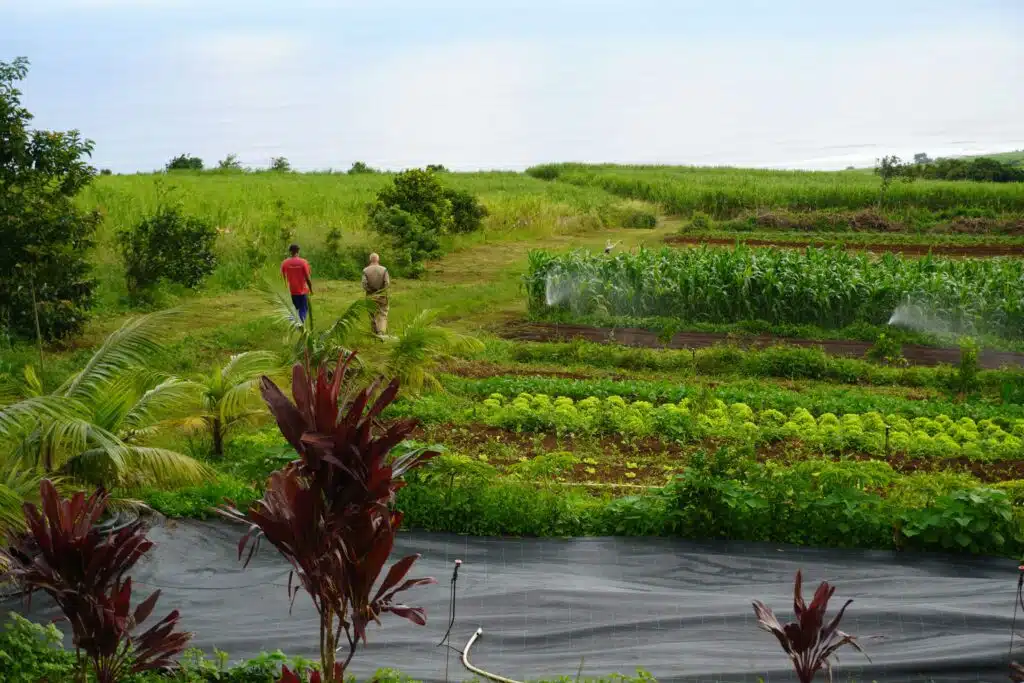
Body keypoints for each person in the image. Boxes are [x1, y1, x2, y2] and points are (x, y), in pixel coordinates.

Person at [281, 244, 313, 323]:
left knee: (293, 309)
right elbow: (308, 278)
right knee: (303, 309)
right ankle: (300, 324)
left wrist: (285, 288)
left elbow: (282, 277)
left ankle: (293, 324)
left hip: (291, 291)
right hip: (302, 291)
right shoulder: (303, 262)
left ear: (290, 251)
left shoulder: (285, 263)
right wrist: (311, 289)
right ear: (298, 251)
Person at [362, 253, 390, 335]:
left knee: (372, 314)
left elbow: (364, 284)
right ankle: (381, 332)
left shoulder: (365, 270)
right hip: (382, 295)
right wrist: (381, 290)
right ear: (378, 259)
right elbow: (387, 283)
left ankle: (374, 332)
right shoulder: (384, 269)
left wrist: (370, 290)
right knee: (382, 313)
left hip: (370, 295)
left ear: (370, 260)